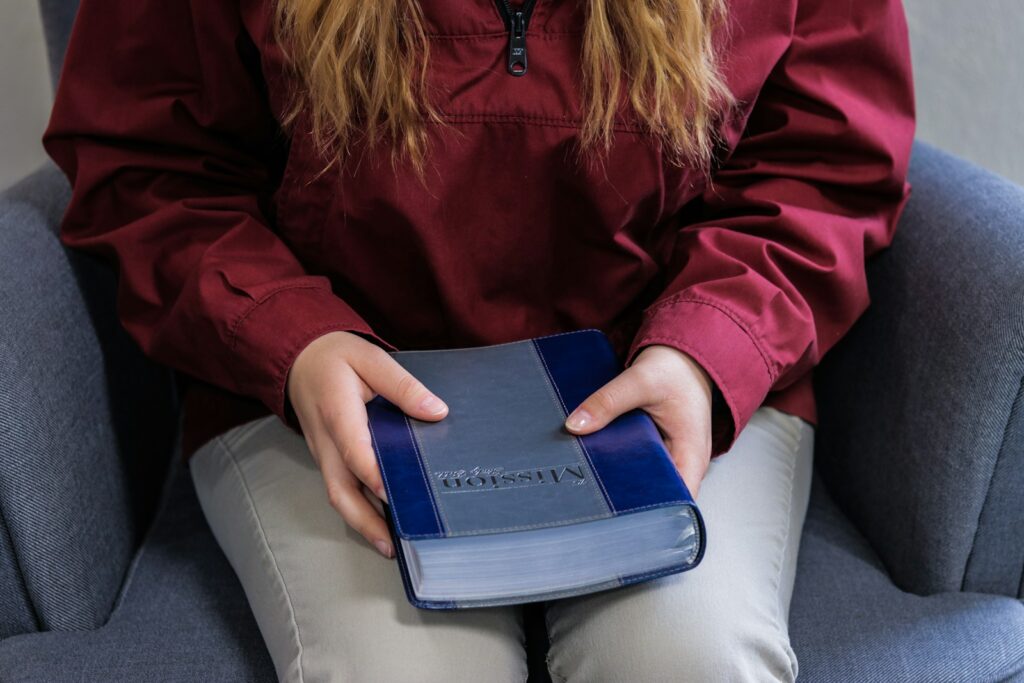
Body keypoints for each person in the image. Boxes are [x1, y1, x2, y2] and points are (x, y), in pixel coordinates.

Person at [42, 0, 914, 680]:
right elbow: (148, 166)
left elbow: (825, 163)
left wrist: (708, 348)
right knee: (403, 671)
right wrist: (290, 341)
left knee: (690, 662)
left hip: (672, 369)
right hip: (328, 392)